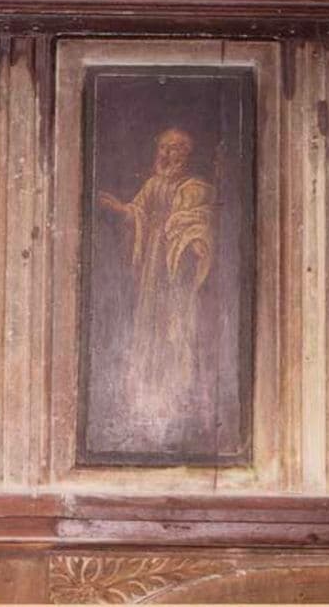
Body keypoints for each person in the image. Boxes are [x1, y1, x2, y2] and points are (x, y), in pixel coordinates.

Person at [97, 127, 216, 443]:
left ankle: (177, 401)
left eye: (172, 149)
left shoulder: (195, 188)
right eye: (162, 148)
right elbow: (138, 212)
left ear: (185, 154)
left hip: (175, 274)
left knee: (175, 330)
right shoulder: (153, 185)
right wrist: (122, 210)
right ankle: (145, 400)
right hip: (153, 268)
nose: (165, 155)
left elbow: (197, 221)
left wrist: (194, 242)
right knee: (148, 328)